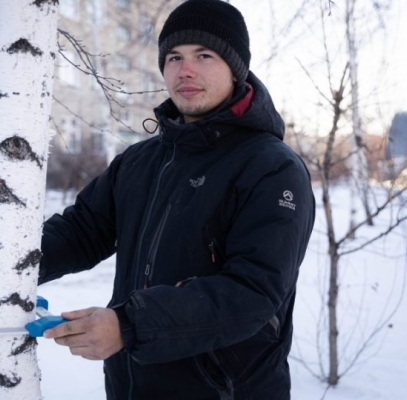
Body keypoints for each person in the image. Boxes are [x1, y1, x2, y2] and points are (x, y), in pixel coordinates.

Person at [40, 1, 316, 399]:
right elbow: (84, 230)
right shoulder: (140, 160)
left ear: (235, 68)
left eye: (204, 55)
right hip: (132, 385)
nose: (185, 70)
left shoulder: (271, 168)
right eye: (174, 57)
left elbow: (252, 293)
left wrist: (129, 325)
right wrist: (17, 259)